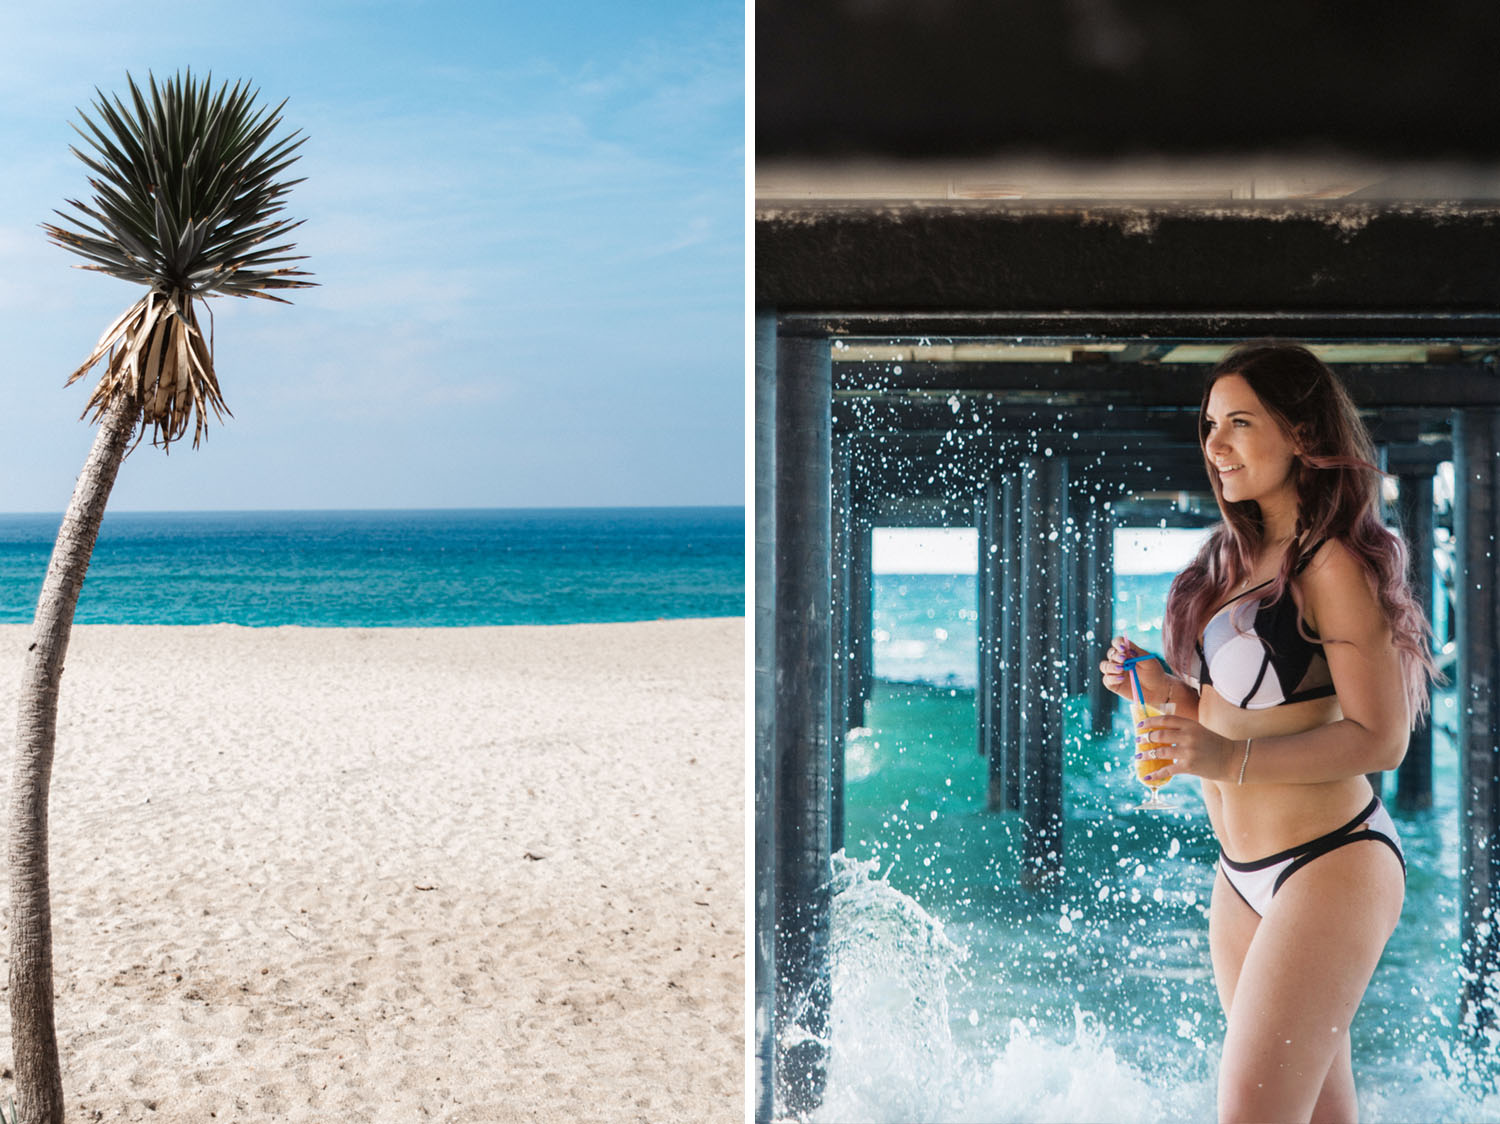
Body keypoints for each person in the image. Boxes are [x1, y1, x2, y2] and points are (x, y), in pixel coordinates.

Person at [1097, 340, 1437, 1124]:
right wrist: (1160, 688)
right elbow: (1234, 707)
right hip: (1242, 877)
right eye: (1211, 424)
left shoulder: (1334, 564)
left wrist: (1228, 756)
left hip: (1332, 864)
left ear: (1299, 432)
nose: (1215, 445)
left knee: (1250, 1113)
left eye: (1240, 423)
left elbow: (1381, 738)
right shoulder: (1237, 558)